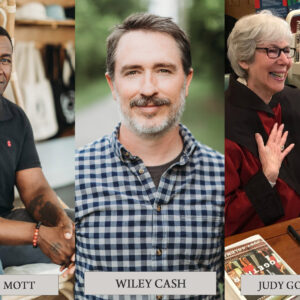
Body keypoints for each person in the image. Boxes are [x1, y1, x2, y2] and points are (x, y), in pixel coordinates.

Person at [75, 13, 224, 300]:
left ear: (187, 80)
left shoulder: (221, 175)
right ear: (112, 85)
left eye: (164, 70)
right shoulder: (80, 172)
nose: (148, 88)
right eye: (132, 72)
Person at [0, 26, 75, 275]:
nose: (1, 70)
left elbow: (34, 188)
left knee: (88, 231)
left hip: (8, 229)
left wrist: (61, 224)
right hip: (14, 233)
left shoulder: (15, 118)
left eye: (5, 60)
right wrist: (38, 235)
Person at [225, 11, 300, 236]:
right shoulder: (226, 129)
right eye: (272, 51)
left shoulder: (294, 99)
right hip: (269, 239)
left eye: (287, 50)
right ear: (244, 59)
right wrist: (266, 177)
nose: (285, 61)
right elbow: (224, 220)